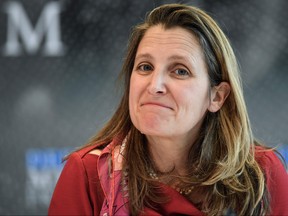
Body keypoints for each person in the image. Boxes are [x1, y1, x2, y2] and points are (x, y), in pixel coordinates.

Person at [48, 3, 288, 216]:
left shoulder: (261, 174)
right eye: (145, 67)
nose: (155, 86)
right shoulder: (88, 174)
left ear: (216, 96)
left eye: (180, 71)